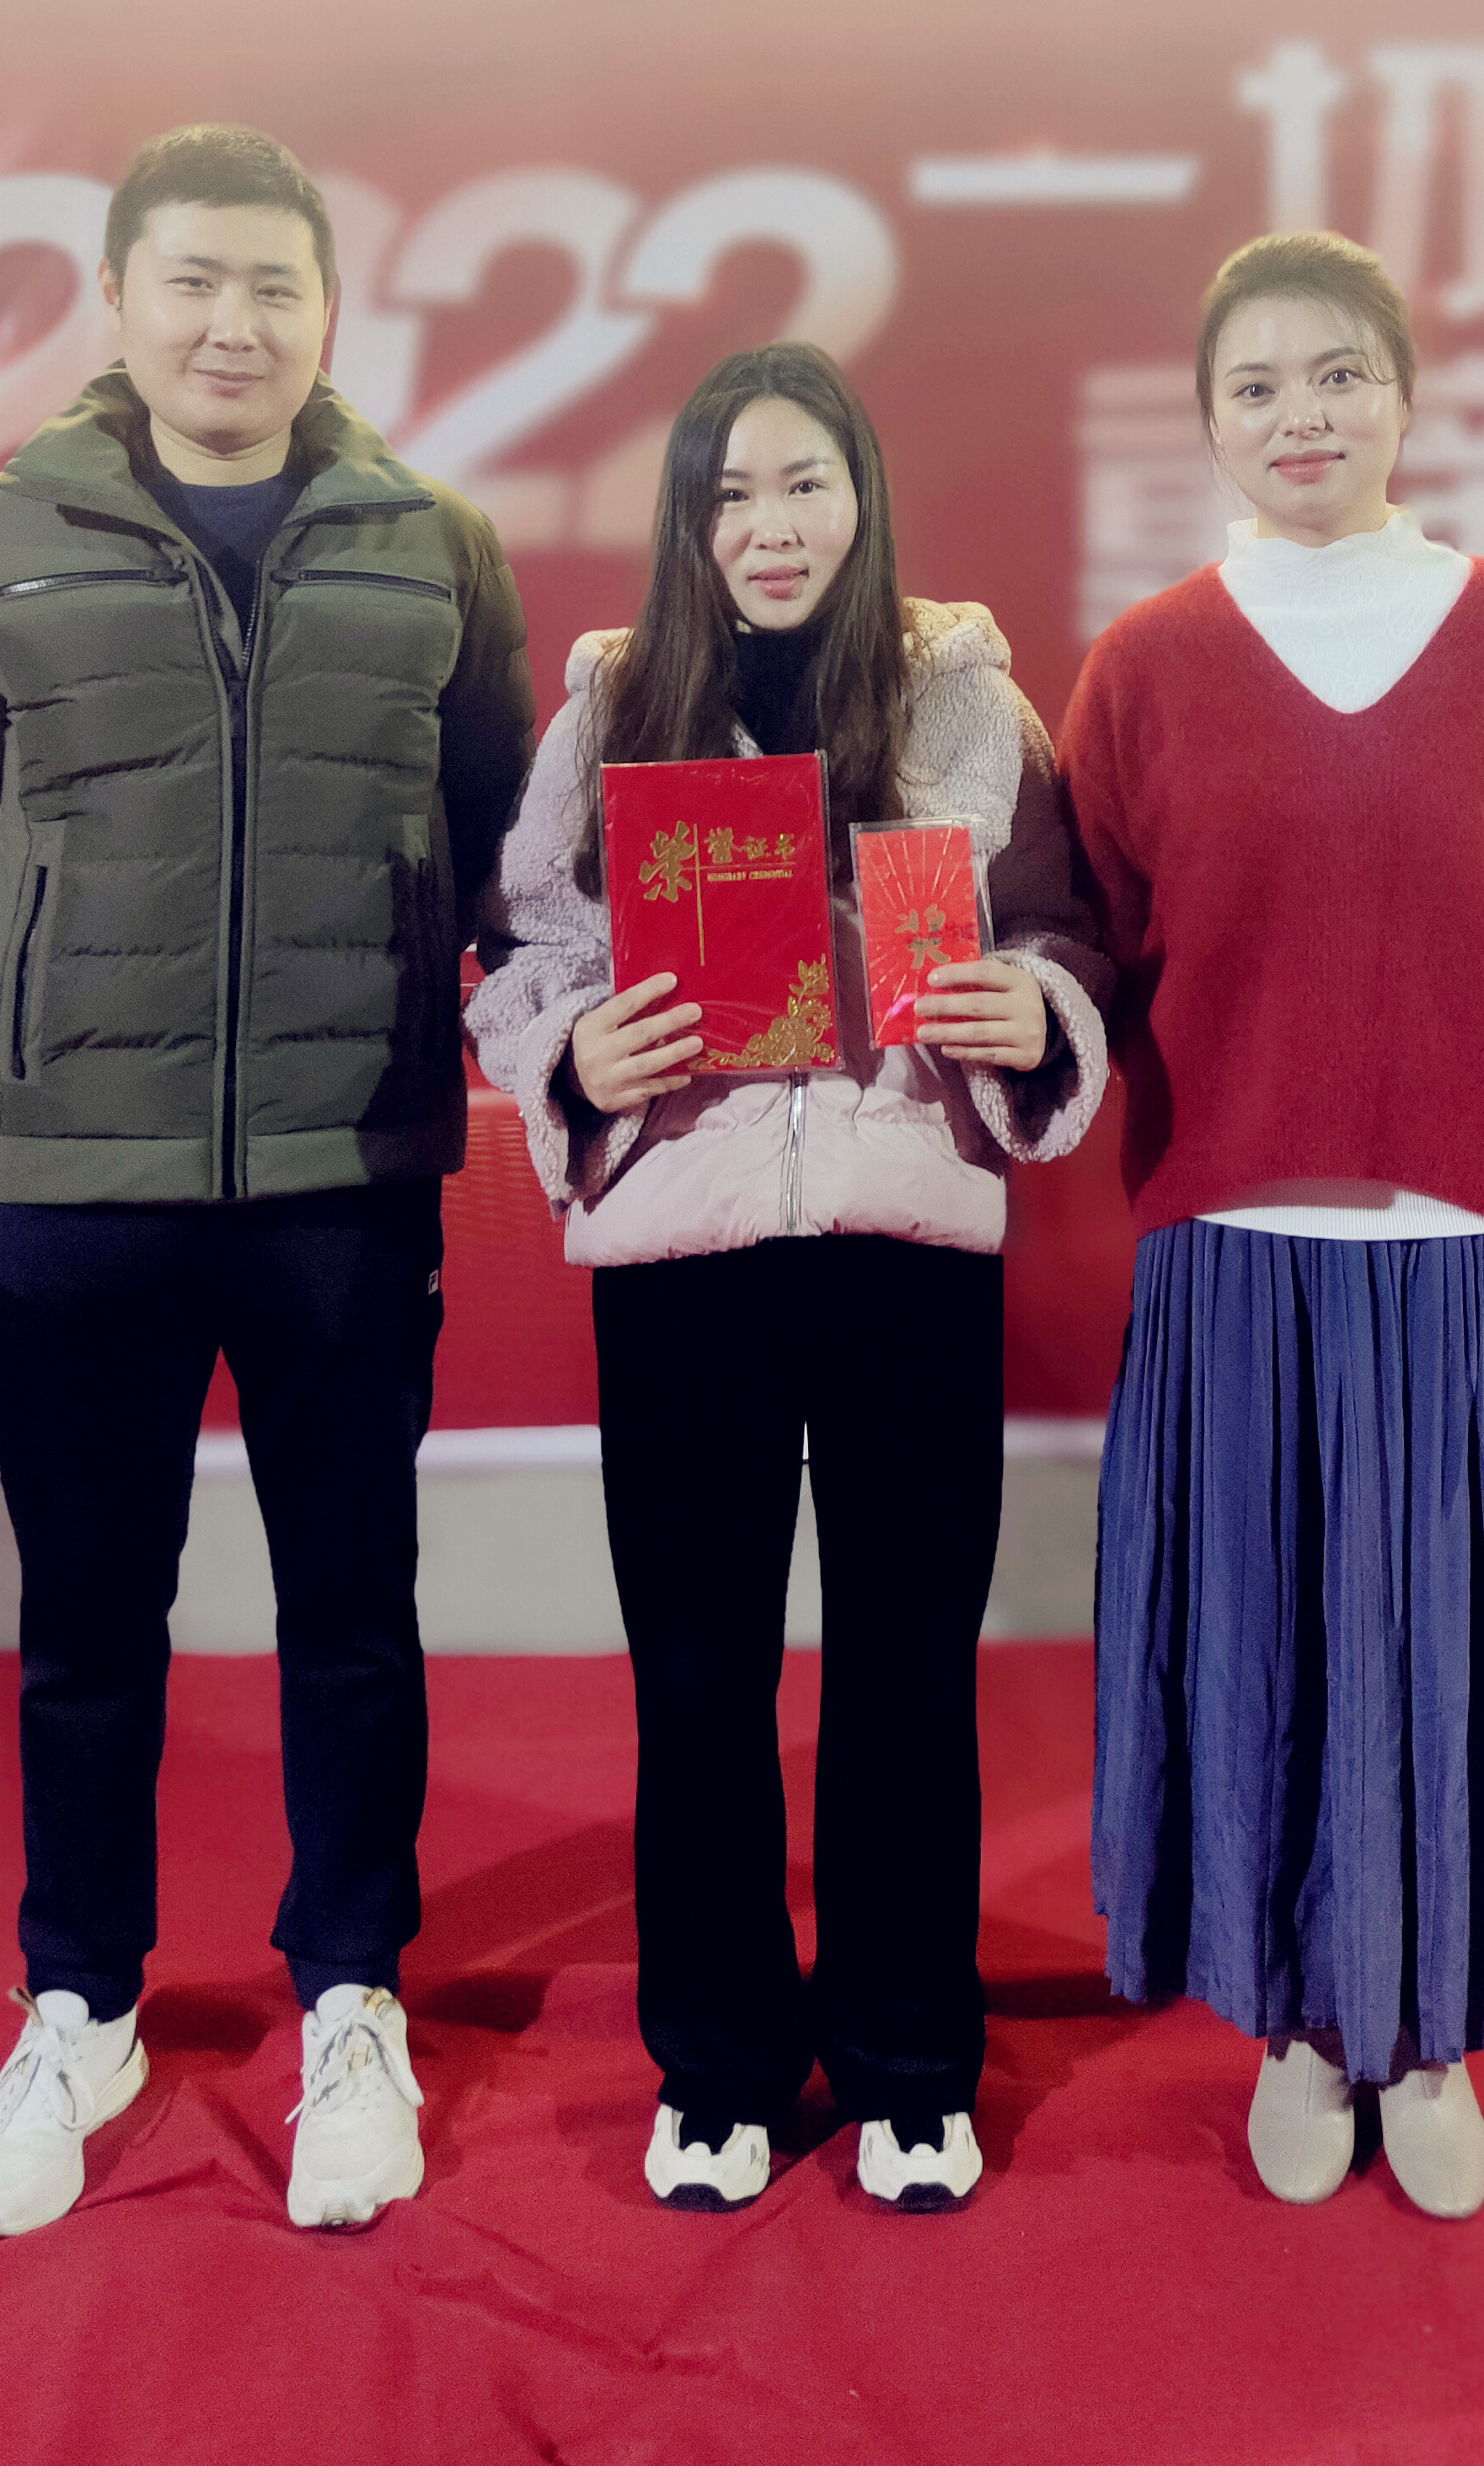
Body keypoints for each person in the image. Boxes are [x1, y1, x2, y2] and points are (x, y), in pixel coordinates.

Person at [0, 121, 533, 2239]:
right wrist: (63, 1011)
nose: (233, 323)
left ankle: (352, 1988)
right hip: (83, 1188)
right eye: (193, 280)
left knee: (352, 1609)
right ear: (119, 299)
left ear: (329, 309)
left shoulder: (433, 545)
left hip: (348, 1171)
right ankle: (78, 1999)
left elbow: (496, 833)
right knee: (89, 1621)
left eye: (274, 284)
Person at [467, 341, 1110, 2213]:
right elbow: (520, 952)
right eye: (728, 492)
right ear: (686, 519)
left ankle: (909, 2059)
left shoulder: (969, 700)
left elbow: (1070, 932)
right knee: (700, 1681)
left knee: (906, 1674)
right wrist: (574, 1053)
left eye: (803, 482)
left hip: (909, 1248)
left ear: (863, 496)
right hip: (687, 1255)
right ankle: (722, 2061)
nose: (769, 525)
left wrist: (1032, 1009)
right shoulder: (612, 708)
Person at [1058, 229, 1484, 2221]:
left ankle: (1439, 2026)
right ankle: (1302, 2023)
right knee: (1273, 1654)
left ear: (1403, 393)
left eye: (1335, 373)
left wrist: (1458, 1085)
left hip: (1469, 1235)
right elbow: (1111, 936)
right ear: (1207, 421)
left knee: (1450, 1656)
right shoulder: (1146, 663)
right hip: (1237, 1231)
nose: (1298, 413)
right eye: (1254, 384)